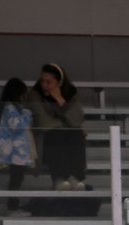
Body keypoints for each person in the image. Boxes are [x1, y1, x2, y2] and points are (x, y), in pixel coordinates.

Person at [28, 63, 87, 191]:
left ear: (59, 83)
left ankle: (75, 176)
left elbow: (77, 120)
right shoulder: (35, 95)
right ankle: (59, 177)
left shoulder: (69, 92)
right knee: (57, 133)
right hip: (45, 138)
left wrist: (60, 100)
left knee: (77, 134)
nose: (44, 85)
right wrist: (64, 121)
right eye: (42, 81)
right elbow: (43, 122)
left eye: (49, 82)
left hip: (67, 136)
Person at [0, 78, 34, 214]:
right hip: (15, 151)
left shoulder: (12, 108)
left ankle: (13, 204)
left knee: (17, 178)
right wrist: (27, 113)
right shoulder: (10, 108)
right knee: (16, 179)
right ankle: (12, 205)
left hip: (18, 150)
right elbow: (17, 126)